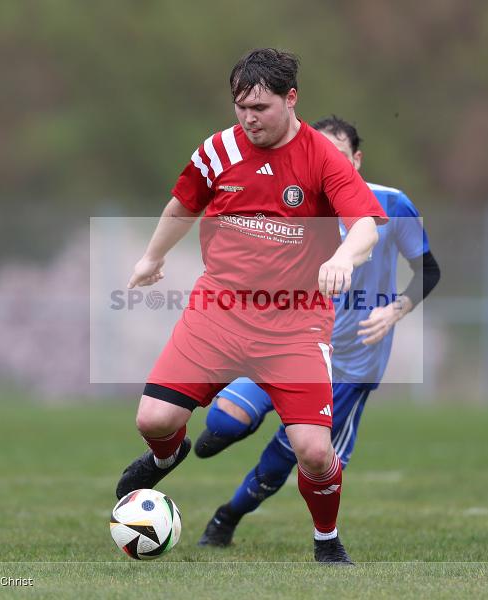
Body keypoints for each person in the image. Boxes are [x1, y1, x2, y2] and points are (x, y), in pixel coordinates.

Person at [115, 49, 389, 565]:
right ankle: (167, 455)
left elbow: (367, 227)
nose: (248, 118)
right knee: (152, 418)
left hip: (295, 322)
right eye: (240, 106)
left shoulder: (322, 157)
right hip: (218, 311)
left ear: (291, 99)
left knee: (313, 451)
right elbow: (183, 205)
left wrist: (344, 256)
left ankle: (327, 541)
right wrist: (152, 258)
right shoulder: (218, 150)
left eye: (260, 107)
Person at [194, 116, 440, 548]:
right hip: (290, 342)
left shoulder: (392, 204)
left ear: (356, 161)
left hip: (348, 366)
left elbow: (429, 270)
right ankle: (226, 430)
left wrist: (395, 311)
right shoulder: (289, 202)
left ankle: (226, 518)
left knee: (288, 456)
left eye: (339, 157)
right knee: (223, 421)